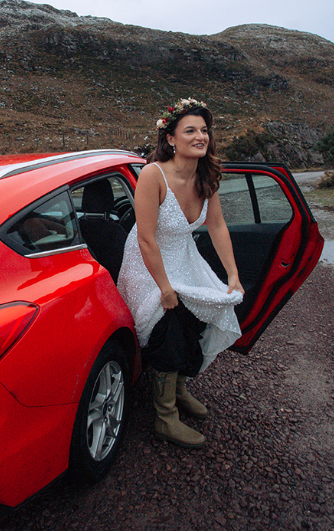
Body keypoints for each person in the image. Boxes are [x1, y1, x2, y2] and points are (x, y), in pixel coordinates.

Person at [117, 98, 244, 449]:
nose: (200, 136)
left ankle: (180, 388)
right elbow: (145, 238)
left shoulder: (207, 176)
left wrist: (233, 274)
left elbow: (217, 226)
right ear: (171, 138)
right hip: (148, 261)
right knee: (167, 327)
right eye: (190, 130)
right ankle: (165, 417)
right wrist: (164, 288)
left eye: (204, 130)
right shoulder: (152, 175)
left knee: (196, 320)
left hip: (183, 256)